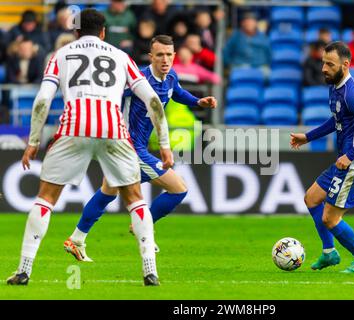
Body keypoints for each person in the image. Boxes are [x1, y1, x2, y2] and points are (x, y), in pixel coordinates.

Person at [6, 9, 171, 287]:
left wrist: (33, 142)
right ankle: (149, 270)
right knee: (135, 198)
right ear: (104, 32)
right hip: (113, 129)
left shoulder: (60, 55)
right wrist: (164, 145)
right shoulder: (121, 56)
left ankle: (24, 270)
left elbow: (42, 101)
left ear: (76, 32)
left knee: (46, 198)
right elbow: (153, 101)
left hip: (73, 127)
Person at [63, 35, 217, 261]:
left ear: (174, 56)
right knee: (179, 188)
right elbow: (109, 96)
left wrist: (198, 101)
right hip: (129, 147)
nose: (165, 59)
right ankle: (142, 227)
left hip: (130, 148)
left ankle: (76, 239)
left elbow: (178, 94)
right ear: (151, 57)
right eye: (160, 55)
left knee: (108, 191)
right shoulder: (138, 80)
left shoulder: (171, 77)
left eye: (168, 55)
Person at [290, 41, 354, 273]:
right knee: (311, 199)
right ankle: (329, 253)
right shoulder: (335, 87)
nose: (324, 68)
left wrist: (350, 156)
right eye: (323, 63)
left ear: (345, 65)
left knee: (330, 218)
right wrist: (307, 137)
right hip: (344, 162)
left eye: (330, 64)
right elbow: (337, 120)